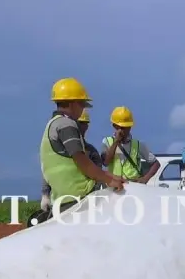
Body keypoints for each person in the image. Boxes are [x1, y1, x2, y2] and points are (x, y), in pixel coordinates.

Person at [39, 77, 124, 213]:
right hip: (79, 198)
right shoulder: (66, 124)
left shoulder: (52, 124)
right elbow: (83, 162)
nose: (83, 109)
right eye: (82, 104)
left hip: (63, 199)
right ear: (73, 104)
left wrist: (110, 176)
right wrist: (109, 179)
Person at [40, 109, 103, 211]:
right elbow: (49, 169)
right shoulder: (59, 147)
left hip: (84, 199)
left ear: (86, 126)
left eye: (83, 123)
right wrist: (45, 194)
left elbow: (97, 174)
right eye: (79, 123)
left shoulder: (91, 151)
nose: (80, 126)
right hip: (63, 201)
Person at [101, 106, 161, 183]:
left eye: (127, 127)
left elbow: (156, 163)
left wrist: (145, 178)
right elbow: (106, 162)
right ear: (114, 126)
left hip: (133, 187)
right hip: (115, 186)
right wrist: (116, 141)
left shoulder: (138, 145)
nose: (125, 130)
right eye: (122, 127)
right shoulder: (107, 142)